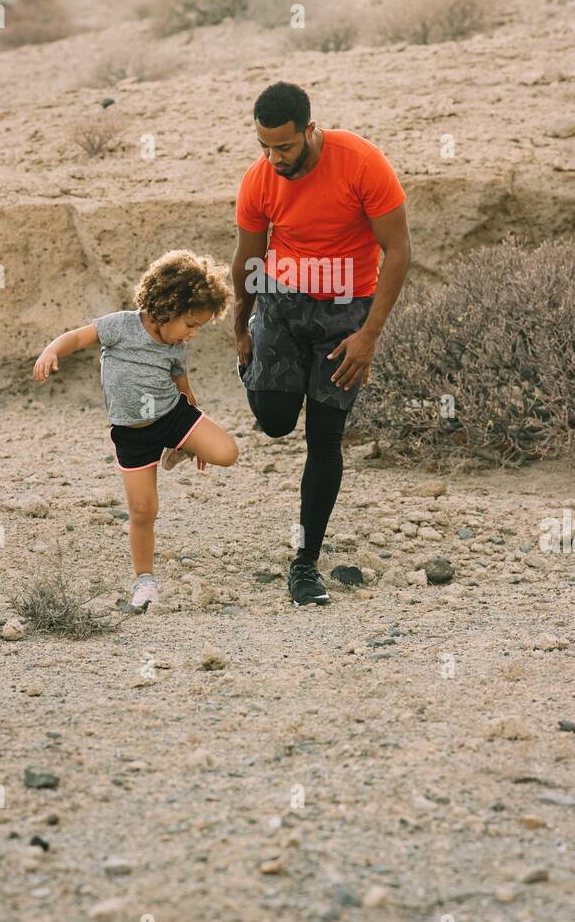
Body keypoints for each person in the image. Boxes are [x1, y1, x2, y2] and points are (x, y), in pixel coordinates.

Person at [233, 82, 410, 607]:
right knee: (275, 422)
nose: (274, 158)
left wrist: (368, 336)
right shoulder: (259, 179)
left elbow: (398, 252)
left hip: (345, 312)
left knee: (324, 437)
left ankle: (305, 564)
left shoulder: (361, 162)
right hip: (281, 305)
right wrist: (242, 327)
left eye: (283, 147)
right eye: (264, 146)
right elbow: (247, 258)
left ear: (310, 130)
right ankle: (262, 378)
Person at [32, 250, 239, 610]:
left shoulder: (176, 346)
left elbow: (183, 385)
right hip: (133, 433)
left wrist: (193, 438)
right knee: (144, 511)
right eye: (190, 324)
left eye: (199, 328)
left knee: (227, 453)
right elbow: (79, 338)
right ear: (167, 305)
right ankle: (144, 582)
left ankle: (179, 448)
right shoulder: (122, 326)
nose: (192, 334)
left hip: (172, 415)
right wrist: (52, 350)